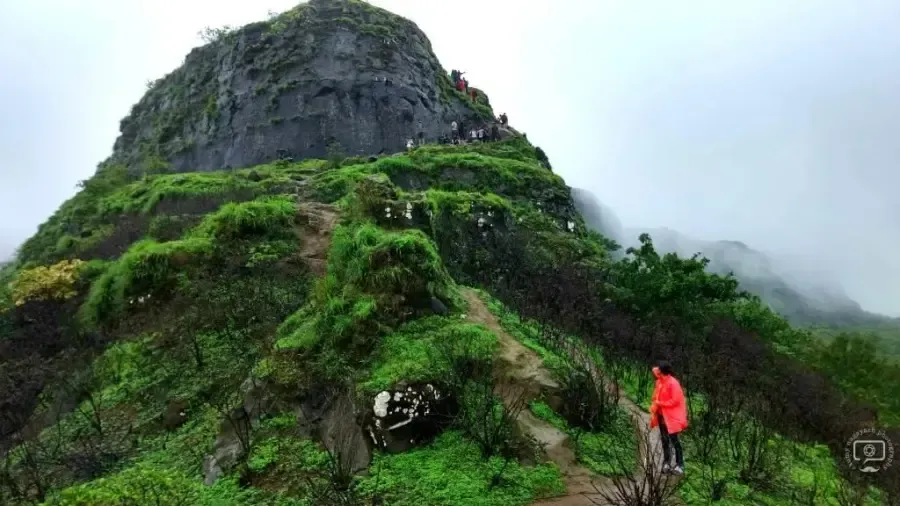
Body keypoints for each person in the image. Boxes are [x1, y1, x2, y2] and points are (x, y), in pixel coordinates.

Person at [650, 362, 687, 475]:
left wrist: (660, 403)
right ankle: (667, 463)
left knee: (675, 441)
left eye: (659, 370)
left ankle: (680, 465)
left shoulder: (673, 383)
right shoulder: (660, 382)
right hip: (662, 416)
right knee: (665, 440)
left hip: (672, 418)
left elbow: (675, 400)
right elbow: (654, 371)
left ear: (663, 371)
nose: (657, 371)